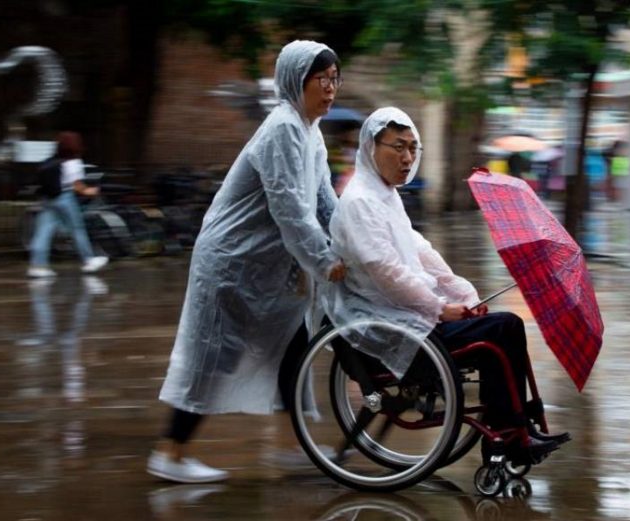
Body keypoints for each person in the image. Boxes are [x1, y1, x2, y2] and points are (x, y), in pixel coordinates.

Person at [322, 107, 569, 467]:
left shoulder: (385, 196)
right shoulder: (360, 201)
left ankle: (515, 429)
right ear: (372, 148)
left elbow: (422, 253)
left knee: (502, 327)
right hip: (391, 326)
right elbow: (387, 271)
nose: (408, 158)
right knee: (504, 328)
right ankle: (509, 434)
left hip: (408, 315)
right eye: (398, 147)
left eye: (413, 148)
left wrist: (463, 295)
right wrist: (439, 308)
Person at [147, 40, 346, 484]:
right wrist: (323, 259)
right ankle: (169, 451)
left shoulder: (310, 132)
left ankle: (293, 446)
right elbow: (290, 209)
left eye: (336, 79)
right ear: (296, 80)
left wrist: (352, 240)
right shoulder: (283, 129)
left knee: (294, 347)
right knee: (215, 356)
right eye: (322, 79)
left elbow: (324, 202)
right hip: (231, 262)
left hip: (265, 267)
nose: (331, 89)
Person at [27, 131, 109, 277]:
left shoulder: (52, 161)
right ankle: (88, 260)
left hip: (48, 198)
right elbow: (78, 187)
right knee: (77, 229)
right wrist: (92, 191)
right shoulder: (74, 162)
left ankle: (37, 266)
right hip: (65, 198)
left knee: (44, 231)